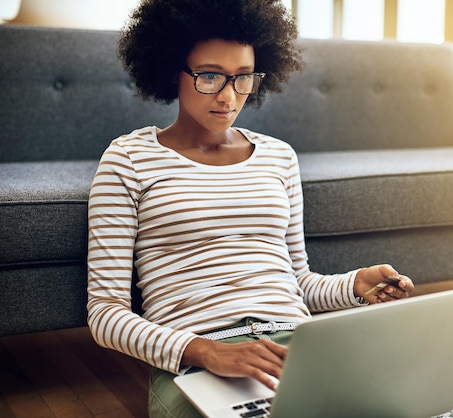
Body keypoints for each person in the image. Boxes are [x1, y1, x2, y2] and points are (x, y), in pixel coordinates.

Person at [87, 0, 415, 416]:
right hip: (199, 355)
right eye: (209, 76)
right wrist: (207, 352)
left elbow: (298, 282)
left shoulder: (279, 157)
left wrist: (355, 286)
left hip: (298, 341)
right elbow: (105, 313)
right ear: (173, 70)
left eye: (243, 78)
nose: (228, 97)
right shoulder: (128, 160)